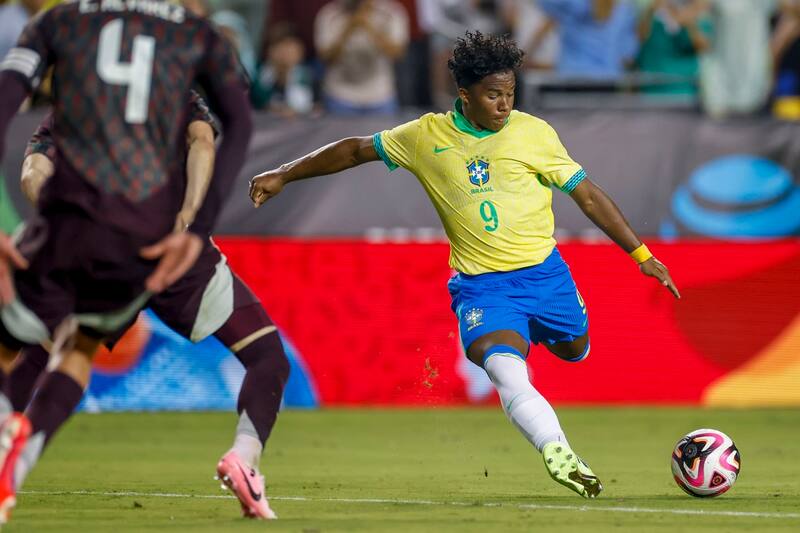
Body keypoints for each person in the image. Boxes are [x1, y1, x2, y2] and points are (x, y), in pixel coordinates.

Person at [249, 31, 680, 498]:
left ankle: (552, 333)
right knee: (503, 368)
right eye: (493, 94)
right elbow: (354, 149)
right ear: (465, 95)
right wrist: (284, 174)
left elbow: (588, 196)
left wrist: (642, 256)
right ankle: (559, 451)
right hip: (483, 287)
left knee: (576, 350)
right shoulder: (425, 136)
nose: (504, 105)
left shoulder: (534, 133)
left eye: (510, 94)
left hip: (546, 276)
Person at [0, 0, 253, 524]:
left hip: (67, 215)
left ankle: (5, 421)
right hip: (141, 231)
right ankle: (15, 469)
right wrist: (197, 225)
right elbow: (235, 125)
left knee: (10, 342)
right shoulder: (195, 32)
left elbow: (5, 100)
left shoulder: (59, 19)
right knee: (81, 343)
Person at [315, 0, 409, 114]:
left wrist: (368, 26)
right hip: (340, 95)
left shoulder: (391, 11)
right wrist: (349, 29)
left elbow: (397, 53)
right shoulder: (329, 13)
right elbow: (325, 58)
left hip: (380, 95)